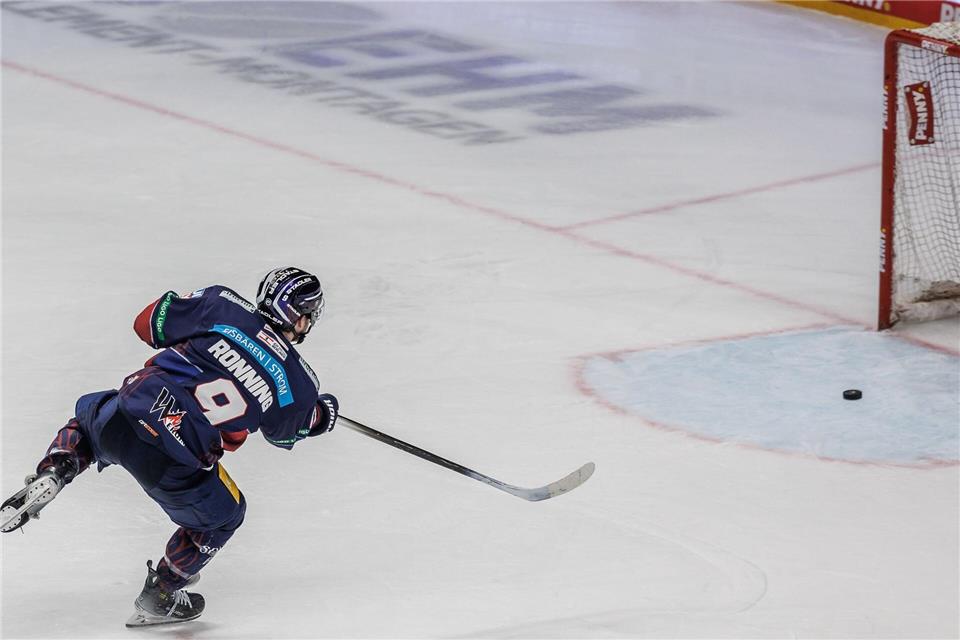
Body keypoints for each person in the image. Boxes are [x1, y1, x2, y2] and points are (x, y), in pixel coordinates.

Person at [1, 267, 338, 627]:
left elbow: (147, 323)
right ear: (301, 317)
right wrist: (323, 412)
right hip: (174, 462)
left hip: (128, 415)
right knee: (226, 516)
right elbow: (284, 433)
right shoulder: (299, 382)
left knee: (87, 422)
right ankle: (160, 594)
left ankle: (58, 468)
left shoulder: (222, 304)